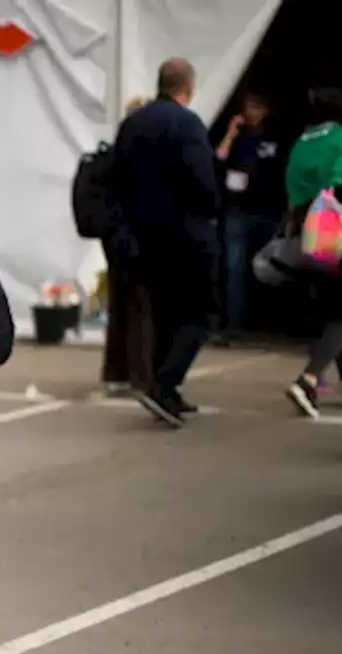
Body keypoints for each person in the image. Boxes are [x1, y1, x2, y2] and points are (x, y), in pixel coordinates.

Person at [112, 58, 220, 427]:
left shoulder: (132, 124)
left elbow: (117, 178)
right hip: (186, 233)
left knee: (163, 313)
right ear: (187, 87)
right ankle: (165, 383)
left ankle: (164, 390)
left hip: (143, 233)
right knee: (201, 313)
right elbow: (203, 180)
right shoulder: (188, 124)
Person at [282, 87, 342, 418]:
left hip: (307, 231)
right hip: (341, 231)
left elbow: (291, 192)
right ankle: (308, 379)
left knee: (333, 307)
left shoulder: (301, 143)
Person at [215, 91, 285, 340]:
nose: (250, 112)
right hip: (238, 212)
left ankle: (273, 323)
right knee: (234, 269)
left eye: (256, 107)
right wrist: (231, 134)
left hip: (267, 210)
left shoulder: (274, 138)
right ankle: (234, 325)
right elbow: (218, 159)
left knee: (272, 269)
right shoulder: (237, 137)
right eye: (247, 107)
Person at [101, 95, 155, 396]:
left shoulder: (115, 151)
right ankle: (141, 372)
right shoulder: (142, 153)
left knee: (120, 306)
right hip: (136, 234)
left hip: (114, 235)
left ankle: (116, 371)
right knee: (142, 306)